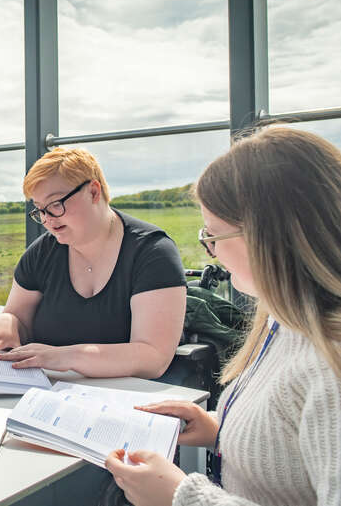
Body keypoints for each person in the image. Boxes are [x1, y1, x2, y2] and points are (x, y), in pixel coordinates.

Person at [105, 127, 341, 506]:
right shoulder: (287, 323)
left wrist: (181, 497)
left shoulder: (329, 367)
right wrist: (217, 427)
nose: (211, 250)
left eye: (213, 236)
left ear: (267, 238)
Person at [0, 146, 186, 379]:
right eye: (39, 210)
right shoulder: (42, 253)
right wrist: (8, 322)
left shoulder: (153, 252)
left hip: (126, 399)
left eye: (56, 204)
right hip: (45, 394)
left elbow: (153, 358)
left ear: (93, 192)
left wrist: (64, 357)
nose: (47, 220)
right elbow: (19, 320)